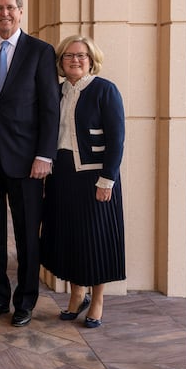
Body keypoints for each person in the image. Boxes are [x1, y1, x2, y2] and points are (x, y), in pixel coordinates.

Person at [0, 0, 60, 327]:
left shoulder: (40, 51)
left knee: (26, 234)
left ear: (20, 12)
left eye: (10, 7)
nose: (4, 13)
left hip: (26, 160)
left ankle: (25, 301)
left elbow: (50, 108)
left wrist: (44, 155)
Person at [40, 35, 125, 328]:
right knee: (69, 237)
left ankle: (97, 299)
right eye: (68, 56)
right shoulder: (57, 91)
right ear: (61, 62)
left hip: (94, 176)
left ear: (91, 60)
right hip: (62, 174)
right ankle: (76, 295)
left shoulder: (105, 90)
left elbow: (117, 140)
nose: (75, 60)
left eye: (81, 56)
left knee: (96, 240)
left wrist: (107, 180)